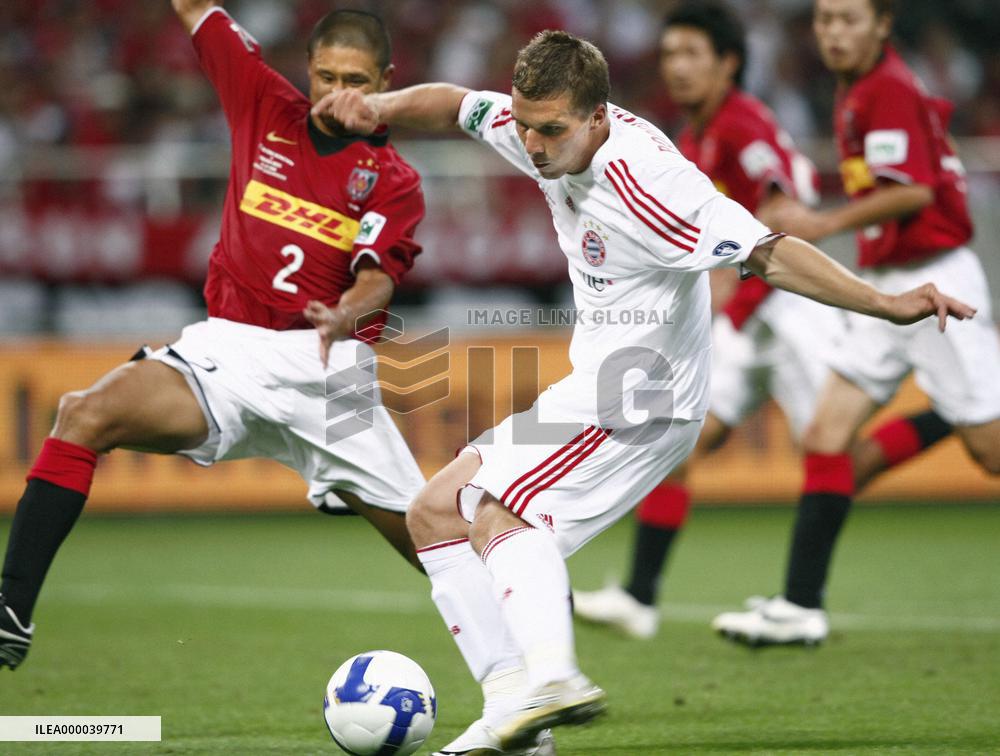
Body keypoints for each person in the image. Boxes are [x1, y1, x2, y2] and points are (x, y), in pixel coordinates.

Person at [313, 29, 973, 753]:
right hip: (596, 385)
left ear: (598, 116)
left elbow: (771, 254)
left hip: (642, 398)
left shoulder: (650, 179)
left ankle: (553, 678)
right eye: (527, 125)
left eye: (551, 130)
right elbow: (455, 104)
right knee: (435, 511)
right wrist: (378, 106)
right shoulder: (530, 126)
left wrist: (886, 304)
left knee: (505, 515)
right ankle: (516, 714)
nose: (532, 146)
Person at [0, 1, 428, 671]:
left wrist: (346, 312)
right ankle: (10, 612)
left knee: (436, 545)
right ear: (308, 71)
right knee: (83, 413)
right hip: (226, 352)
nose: (339, 94)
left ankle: (532, 666)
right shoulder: (262, 100)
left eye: (359, 81)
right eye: (326, 76)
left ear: (387, 80)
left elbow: (378, 281)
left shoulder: (392, 177)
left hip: (322, 371)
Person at [573, 0, 952, 641]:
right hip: (747, 321)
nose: (678, 68)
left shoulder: (742, 126)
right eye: (670, 55)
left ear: (730, 64)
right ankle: (640, 596)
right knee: (676, 445)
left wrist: (731, 303)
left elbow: (779, 216)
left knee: (838, 458)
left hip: (789, 312)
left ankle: (958, 411)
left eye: (694, 54)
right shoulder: (692, 136)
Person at [712, 0, 1000, 646]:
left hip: (934, 283)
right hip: (890, 286)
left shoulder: (886, 89)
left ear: (883, 24)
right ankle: (799, 605)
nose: (834, 33)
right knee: (826, 438)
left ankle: (968, 410)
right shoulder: (856, 92)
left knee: (990, 452)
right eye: (824, 21)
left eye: (849, 19)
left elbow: (915, 191)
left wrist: (822, 222)